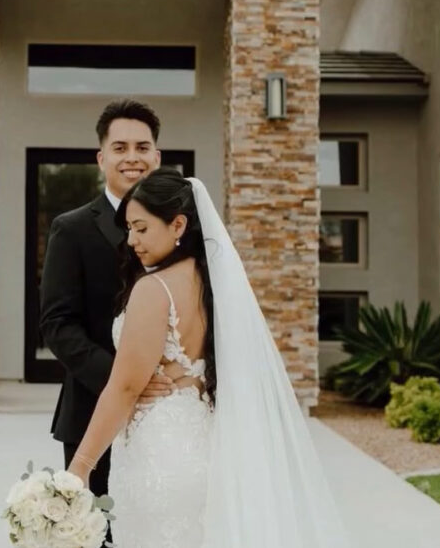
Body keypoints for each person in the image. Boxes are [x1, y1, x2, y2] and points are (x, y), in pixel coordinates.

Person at [67, 169, 351, 548]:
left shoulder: (154, 290)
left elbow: (125, 387)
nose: (131, 240)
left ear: (178, 224)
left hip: (160, 459)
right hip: (207, 449)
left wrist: (80, 467)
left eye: (140, 228)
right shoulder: (215, 285)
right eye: (130, 230)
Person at [39, 99, 174, 502]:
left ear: (157, 156)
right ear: (101, 158)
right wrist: (126, 382)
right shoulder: (72, 229)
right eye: (120, 148)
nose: (132, 158)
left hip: (172, 417)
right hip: (94, 411)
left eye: (142, 147)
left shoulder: (186, 229)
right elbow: (58, 326)